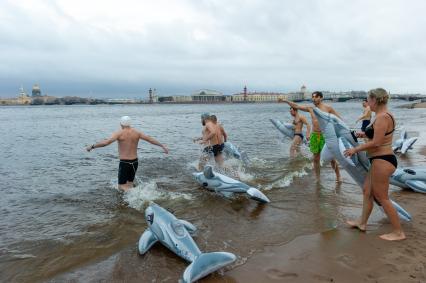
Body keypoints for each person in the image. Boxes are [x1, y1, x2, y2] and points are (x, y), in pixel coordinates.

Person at [344, 88, 405, 241]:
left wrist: (354, 149)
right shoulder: (382, 115)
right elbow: (379, 135)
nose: (367, 103)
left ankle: (398, 232)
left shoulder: (383, 117)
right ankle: (362, 223)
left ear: (375, 100)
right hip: (379, 160)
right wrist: (363, 134)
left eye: (368, 100)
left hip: (383, 160)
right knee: (367, 191)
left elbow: (377, 142)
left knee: (382, 197)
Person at [86, 116, 169, 191]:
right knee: (130, 184)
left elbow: (106, 143)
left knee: (121, 186)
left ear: (121, 124)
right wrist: (162, 146)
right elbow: (150, 139)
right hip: (135, 162)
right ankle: (132, 198)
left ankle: (136, 196)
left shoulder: (119, 133)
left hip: (125, 163)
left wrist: (92, 146)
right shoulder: (137, 132)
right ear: (130, 123)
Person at [281, 92, 341, 182]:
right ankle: (318, 179)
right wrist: (285, 101)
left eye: (316, 97)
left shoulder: (328, 108)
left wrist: (341, 133)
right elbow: (296, 106)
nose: (314, 99)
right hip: (315, 135)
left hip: (325, 135)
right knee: (316, 158)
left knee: (331, 158)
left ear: (321, 98)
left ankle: (338, 176)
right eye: (312, 97)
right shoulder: (311, 109)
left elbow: (339, 119)